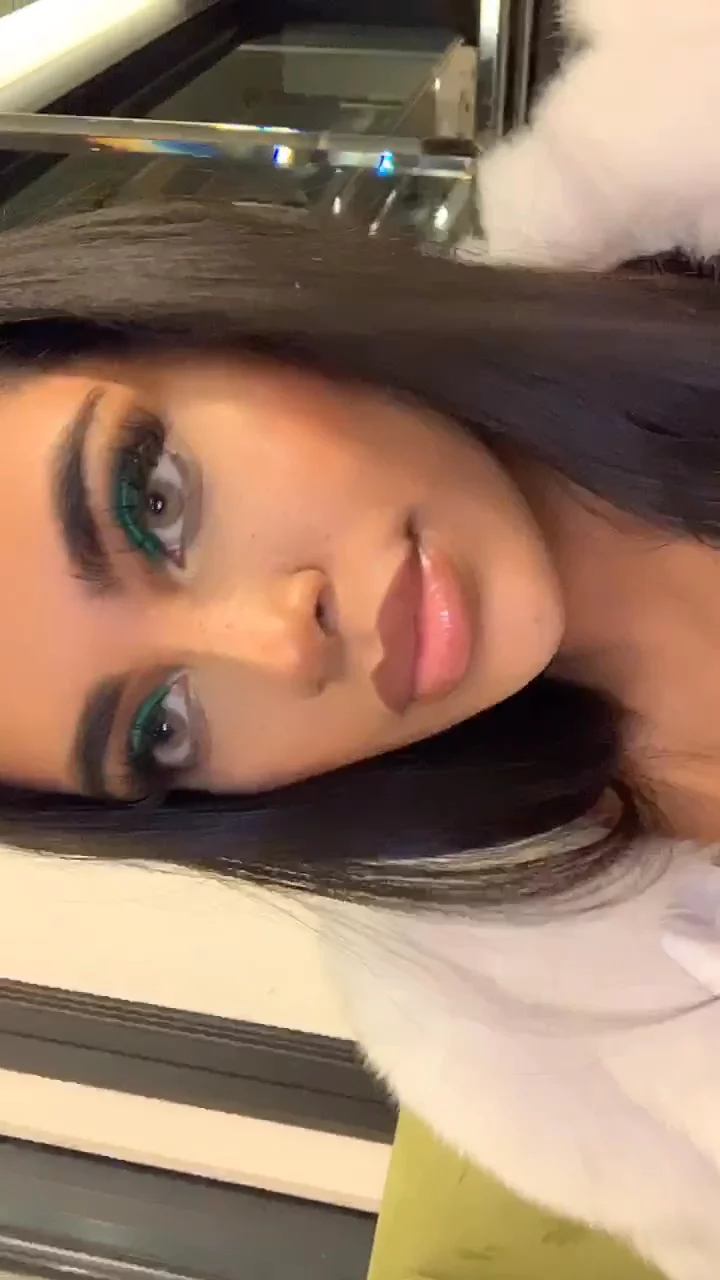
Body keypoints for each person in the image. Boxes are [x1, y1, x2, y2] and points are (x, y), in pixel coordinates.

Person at [2, 200, 720, 1278]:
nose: (279, 646)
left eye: (156, 500)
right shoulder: (566, 1050)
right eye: (163, 725)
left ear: (215, 313)